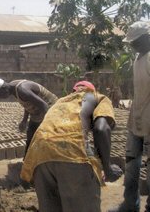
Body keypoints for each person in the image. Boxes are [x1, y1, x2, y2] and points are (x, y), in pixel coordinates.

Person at [20, 81, 123, 212]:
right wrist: (107, 168)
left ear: (73, 91)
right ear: (92, 90)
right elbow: (102, 129)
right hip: (72, 154)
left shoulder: (60, 102)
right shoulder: (98, 97)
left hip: (39, 155)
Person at [110, 21, 150, 212]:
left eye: (135, 41)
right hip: (136, 119)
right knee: (132, 163)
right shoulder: (138, 57)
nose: (132, 45)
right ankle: (129, 204)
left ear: (147, 37)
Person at [0, 78, 58, 154]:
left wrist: (47, 126)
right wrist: (24, 120)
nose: (0, 98)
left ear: (4, 89)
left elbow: (43, 105)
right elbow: (28, 103)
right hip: (37, 112)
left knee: (41, 138)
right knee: (31, 137)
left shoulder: (22, 90)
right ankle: (28, 162)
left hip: (51, 109)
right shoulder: (13, 86)